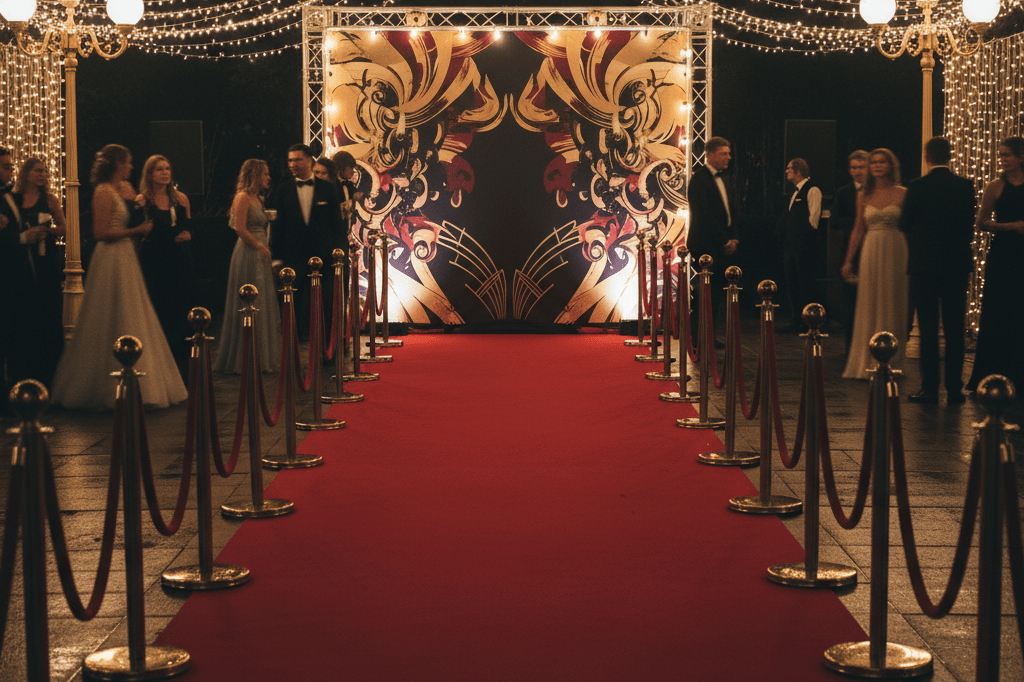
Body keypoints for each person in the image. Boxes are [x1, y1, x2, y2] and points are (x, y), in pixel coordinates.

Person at [51, 145, 187, 410]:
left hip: (127, 256)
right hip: (110, 256)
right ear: (116, 164)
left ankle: (141, 379)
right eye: (126, 163)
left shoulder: (124, 189)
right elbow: (100, 232)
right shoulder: (103, 192)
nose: (130, 167)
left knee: (133, 311)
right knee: (108, 312)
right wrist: (137, 229)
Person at [899, 137, 976, 405]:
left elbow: (905, 224)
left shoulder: (918, 187)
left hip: (925, 265)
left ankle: (930, 387)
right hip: (956, 265)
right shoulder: (966, 186)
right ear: (950, 156)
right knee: (955, 328)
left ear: (927, 157)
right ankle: (954, 388)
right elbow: (969, 225)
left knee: (929, 329)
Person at [841, 148, 908, 379]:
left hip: (896, 248)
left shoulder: (902, 193)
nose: (878, 166)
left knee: (893, 300)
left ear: (891, 165)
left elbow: (910, 227)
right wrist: (848, 260)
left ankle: (893, 359)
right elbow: (858, 229)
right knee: (869, 300)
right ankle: (867, 359)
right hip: (871, 249)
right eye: (874, 162)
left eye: (882, 162)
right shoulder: (864, 195)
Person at [1, 157, 66, 390]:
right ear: (26, 173)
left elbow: (64, 228)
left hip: (44, 259)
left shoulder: (49, 199)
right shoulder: (12, 199)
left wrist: (48, 231)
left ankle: (46, 375)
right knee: (23, 318)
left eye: (45, 171)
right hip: (18, 262)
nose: (42, 175)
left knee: (46, 315)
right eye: (38, 170)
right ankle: (21, 374)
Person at [267, 144, 344, 339]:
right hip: (294, 256)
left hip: (324, 256)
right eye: (290, 160)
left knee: (325, 304)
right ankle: (291, 351)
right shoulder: (283, 190)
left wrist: (339, 254)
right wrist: (277, 258)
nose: (292, 164)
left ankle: (327, 347)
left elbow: (336, 224)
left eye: (297, 159)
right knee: (293, 303)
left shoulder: (328, 188)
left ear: (310, 160)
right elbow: (278, 226)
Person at [966, 136, 1024, 393]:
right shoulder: (995, 186)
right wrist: (1011, 226)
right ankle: (995, 371)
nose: (1003, 159)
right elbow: (982, 222)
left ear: (1021, 157)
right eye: (1000, 155)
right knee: (1000, 310)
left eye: (1007, 154)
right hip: (1003, 254)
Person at [215, 159, 281, 374]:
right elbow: (240, 228)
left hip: (261, 250)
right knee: (250, 300)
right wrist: (259, 246)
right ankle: (244, 357)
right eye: (265, 174)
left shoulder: (258, 199)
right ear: (254, 175)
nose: (268, 178)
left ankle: (261, 356)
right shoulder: (242, 197)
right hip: (248, 251)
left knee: (263, 301)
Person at [136, 155, 194, 380]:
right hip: (155, 260)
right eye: (159, 169)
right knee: (159, 309)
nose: (165, 172)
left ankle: (182, 367)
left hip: (179, 258)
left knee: (181, 309)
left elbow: (188, 224)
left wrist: (189, 234)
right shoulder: (143, 201)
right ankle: (160, 367)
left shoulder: (181, 199)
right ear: (149, 174)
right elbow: (140, 230)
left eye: (168, 168)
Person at [686, 136, 739, 346]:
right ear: (710, 155)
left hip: (723, 243)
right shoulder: (699, 180)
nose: (729, 157)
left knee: (716, 293)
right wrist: (724, 240)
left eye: (728, 153)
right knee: (703, 293)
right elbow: (703, 216)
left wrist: (734, 237)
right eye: (723, 153)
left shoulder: (724, 179)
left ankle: (709, 335)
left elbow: (731, 211)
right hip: (706, 245)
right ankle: (698, 336)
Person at [830, 151, 869, 351]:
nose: (856, 171)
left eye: (860, 167)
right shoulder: (844, 192)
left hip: (872, 247)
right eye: (853, 168)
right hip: (851, 249)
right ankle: (850, 346)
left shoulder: (876, 190)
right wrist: (858, 221)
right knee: (851, 301)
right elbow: (835, 221)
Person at [781, 158, 822, 331]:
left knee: (805, 283)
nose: (786, 171)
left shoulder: (812, 190)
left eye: (789, 168)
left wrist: (801, 238)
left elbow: (814, 219)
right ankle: (795, 319)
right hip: (792, 246)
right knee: (792, 283)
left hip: (804, 246)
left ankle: (807, 321)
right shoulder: (795, 193)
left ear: (798, 171)